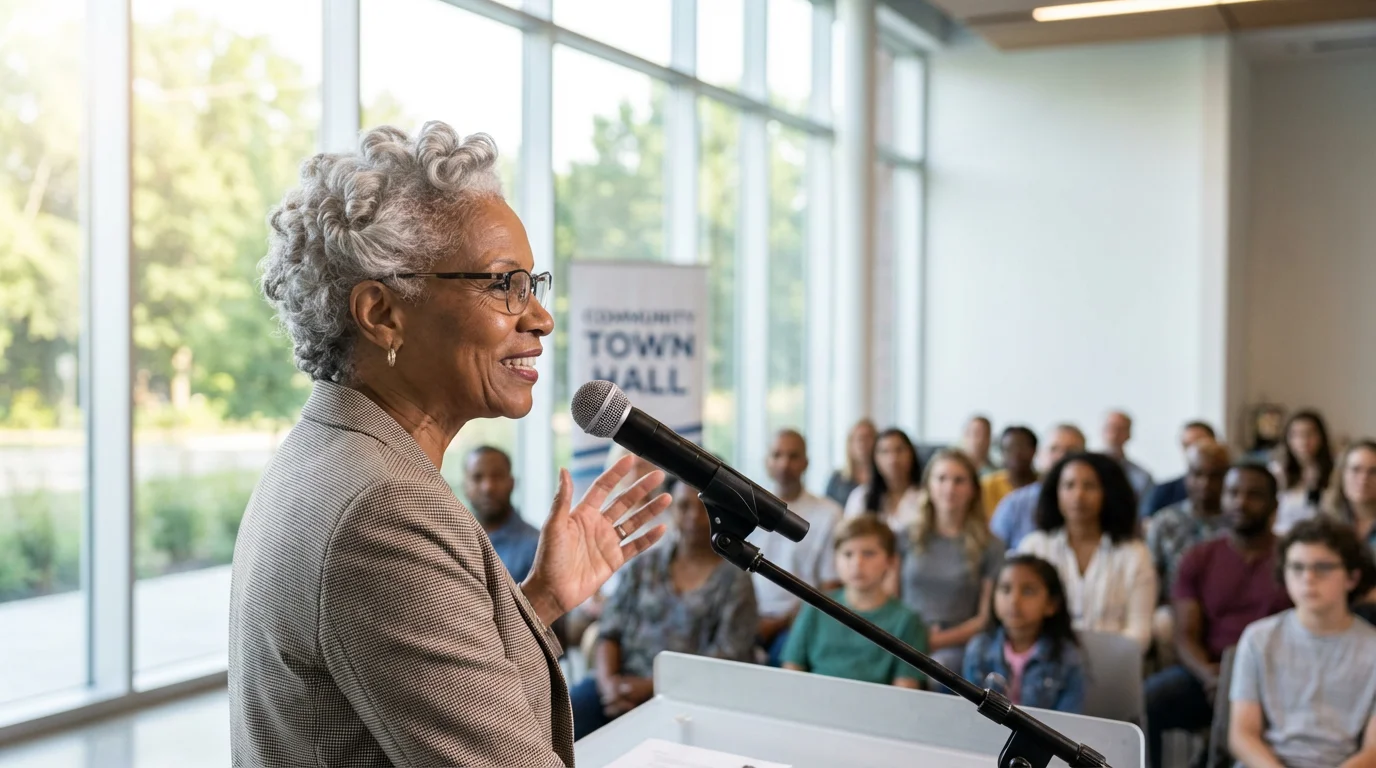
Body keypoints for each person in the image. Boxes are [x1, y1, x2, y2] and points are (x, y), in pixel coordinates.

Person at [229, 123, 672, 766]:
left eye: (532, 284)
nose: (540, 317)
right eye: (502, 285)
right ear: (382, 313)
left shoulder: (329, 450)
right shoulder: (383, 508)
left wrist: (540, 599)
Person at [572, 476, 758, 739]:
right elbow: (609, 632)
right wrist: (609, 684)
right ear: (671, 510)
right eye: (684, 506)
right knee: (569, 711)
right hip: (623, 682)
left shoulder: (735, 580)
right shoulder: (643, 566)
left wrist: (650, 688)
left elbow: (726, 660)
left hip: (692, 696)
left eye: (704, 509)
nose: (694, 517)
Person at [1143, 464, 1292, 768]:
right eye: (1233, 493)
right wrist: (1212, 676)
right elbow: (1185, 635)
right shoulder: (1199, 556)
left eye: (1253, 495)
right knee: (1151, 698)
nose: (1240, 502)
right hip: (1210, 673)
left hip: (1277, 677)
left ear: (1274, 505)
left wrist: (1241, 683)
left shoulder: (1292, 558)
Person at [1229, 517, 1376, 768]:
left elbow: (1373, 752)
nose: (1308, 578)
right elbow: (1242, 734)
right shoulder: (1258, 638)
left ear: (1352, 577)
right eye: (1296, 567)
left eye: (1323, 567)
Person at [1017, 453, 1157, 651]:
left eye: (1090, 486)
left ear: (1108, 493)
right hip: (1046, 664)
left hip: (1112, 665)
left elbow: (1139, 630)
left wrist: (1106, 661)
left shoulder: (1135, 553)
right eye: (1069, 485)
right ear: (1055, 492)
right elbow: (1019, 619)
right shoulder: (1034, 547)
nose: (1078, 495)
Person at [782, 515, 928, 689]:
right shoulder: (815, 607)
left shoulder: (907, 620)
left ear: (890, 561)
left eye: (869, 554)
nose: (857, 563)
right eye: (847, 554)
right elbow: (792, 670)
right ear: (835, 560)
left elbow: (905, 690)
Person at [897, 449, 1003, 673]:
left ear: (973, 489)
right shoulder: (906, 537)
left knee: (940, 669)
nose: (949, 488)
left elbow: (985, 618)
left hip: (958, 644)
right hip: (904, 635)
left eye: (959, 480)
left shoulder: (991, 545)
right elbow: (890, 596)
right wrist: (912, 637)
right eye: (941, 479)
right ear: (928, 486)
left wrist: (936, 641)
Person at [749, 429, 843, 666]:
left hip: (799, 622)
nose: (784, 464)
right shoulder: (747, 509)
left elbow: (829, 587)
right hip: (747, 616)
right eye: (777, 455)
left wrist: (779, 622)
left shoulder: (828, 514)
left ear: (806, 463)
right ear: (766, 462)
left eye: (793, 456)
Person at [963, 555, 1085, 714]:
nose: (1014, 600)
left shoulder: (1068, 659)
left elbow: (1068, 722)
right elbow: (969, 712)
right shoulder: (978, 648)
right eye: (1005, 589)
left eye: (1028, 591)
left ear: (1051, 604)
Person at [1145, 441, 1232, 605]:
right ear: (1187, 476)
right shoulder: (1166, 520)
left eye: (1215, 476)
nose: (1205, 484)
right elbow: (1151, 575)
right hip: (1174, 607)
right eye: (1197, 474)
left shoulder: (1237, 522)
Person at [990, 425, 1087, 550]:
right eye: (1054, 449)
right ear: (1040, 455)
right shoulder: (1014, 504)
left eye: (1071, 451)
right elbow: (992, 557)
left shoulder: (1098, 503)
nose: (1061, 457)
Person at [464, 446, 540, 582]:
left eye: (497, 476)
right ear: (465, 486)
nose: (488, 487)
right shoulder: (451, 539)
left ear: (512, 483)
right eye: (477, 477)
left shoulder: (538, 546)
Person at [844, 428, 924, 532]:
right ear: (875, 458)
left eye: (899, 450)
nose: (893, 459)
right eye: (884, 452)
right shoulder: (861, 496)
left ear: (911, 454)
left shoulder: (924, 495)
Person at [1272, 409, 1335, 535]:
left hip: (1321, 537)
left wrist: (1314, 482)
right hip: (1284, 535)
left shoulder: (1335, 471)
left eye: (1309, 434)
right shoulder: (1277, 472)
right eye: (1296, 435)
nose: (1303, 441)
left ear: (1321, 437)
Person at [1141, 421, 1217, 518]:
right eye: (1186, 445)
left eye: (1198, 443)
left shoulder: (1231, 488)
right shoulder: (1164, 491)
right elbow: (1147, 524)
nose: (1192, 451)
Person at [1328, 440, 1376, 563]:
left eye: (1373, 471)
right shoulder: (1326, 521)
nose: (1363, 479)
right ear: (1342, 474)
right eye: (1356, 470)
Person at [982, 426, 1038, 518]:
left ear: (1034, 450)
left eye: (1022, 447)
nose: (1016, 453)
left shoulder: (1045, 485)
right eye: (1009, 448)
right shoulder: (988, 486)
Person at [1102, 410, 1154, 505]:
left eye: (1120, 429)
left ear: (1129, 434)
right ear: (1102, 431)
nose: (1115, 434)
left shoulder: (1142, 477)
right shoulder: (1085, 469)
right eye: (1111, 428)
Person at [826, 419, 877, 507]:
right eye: (858, 439)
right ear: (850, 444)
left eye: (868, 438)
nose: (863, 444)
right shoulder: (837, 480)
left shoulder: (883, 478)